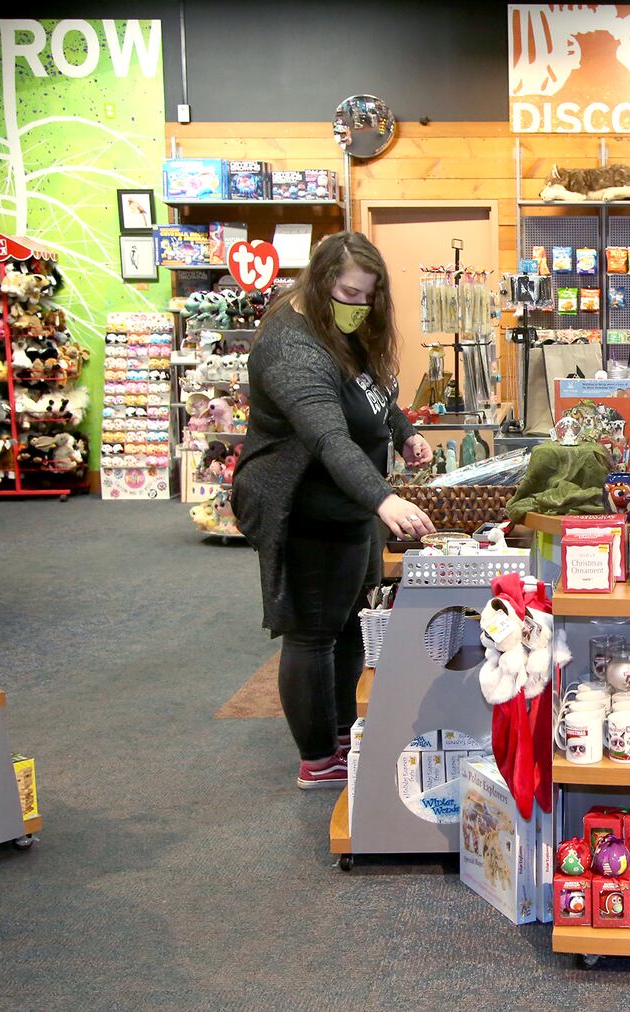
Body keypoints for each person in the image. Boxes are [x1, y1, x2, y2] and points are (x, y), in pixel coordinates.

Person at [232, 231, 436, 789]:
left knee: (349, 623)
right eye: (349, 293)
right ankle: (319, 758)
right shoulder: (291, 348)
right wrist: (383, 498)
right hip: (306, 507)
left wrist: (402, 432)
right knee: (312, 631)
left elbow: (373, 393)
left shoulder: (338, 331)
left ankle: (345, 735)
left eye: (368, 297)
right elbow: (328, 438)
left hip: (348, 504)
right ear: (321, 284)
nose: (359, 307)